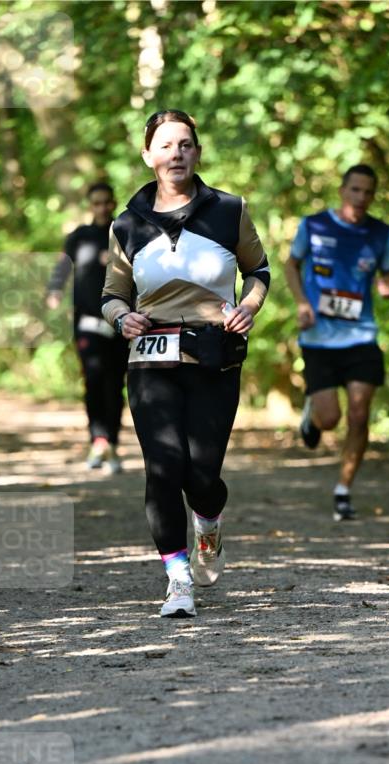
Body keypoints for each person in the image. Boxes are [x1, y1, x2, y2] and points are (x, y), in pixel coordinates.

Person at [101, 109, 270, 618]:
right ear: (147, 156)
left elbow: (258, 271)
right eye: (166, 145)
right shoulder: (127, 224)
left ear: (197, 152)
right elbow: (112, 294)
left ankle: (209, 522)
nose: (176, 153)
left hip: (214, 356)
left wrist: (248, 307)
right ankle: (178, 580)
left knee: (202, 476)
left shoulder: (229, 210)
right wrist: (122, 318)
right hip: (149, 361)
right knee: (162, 469)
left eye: (185, 144)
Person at [284, 164, 389, 521]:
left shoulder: (381, 233)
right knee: (331, 418)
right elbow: (290, 265)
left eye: (368, 192)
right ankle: (313, 416)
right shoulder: (314, 225)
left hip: (361, 335)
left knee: (360, 414)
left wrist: (388, 286)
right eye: (355, 190)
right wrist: (302, 303)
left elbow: (388, 275)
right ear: (342, 190)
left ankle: (343, 491)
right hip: (319, 338)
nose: (361, 197)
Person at [47, 182, 129, 473]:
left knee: (115, 385)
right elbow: (62, 266)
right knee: (93, 380)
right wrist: (54, 291)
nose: (102, 208)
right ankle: (98, 441)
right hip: (86, 322)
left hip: (120, 323)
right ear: (90, 206)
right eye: (97, 203)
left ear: (113, 203)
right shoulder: (79, 237)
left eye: (107, 202)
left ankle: (112, 445)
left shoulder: (125, 233)